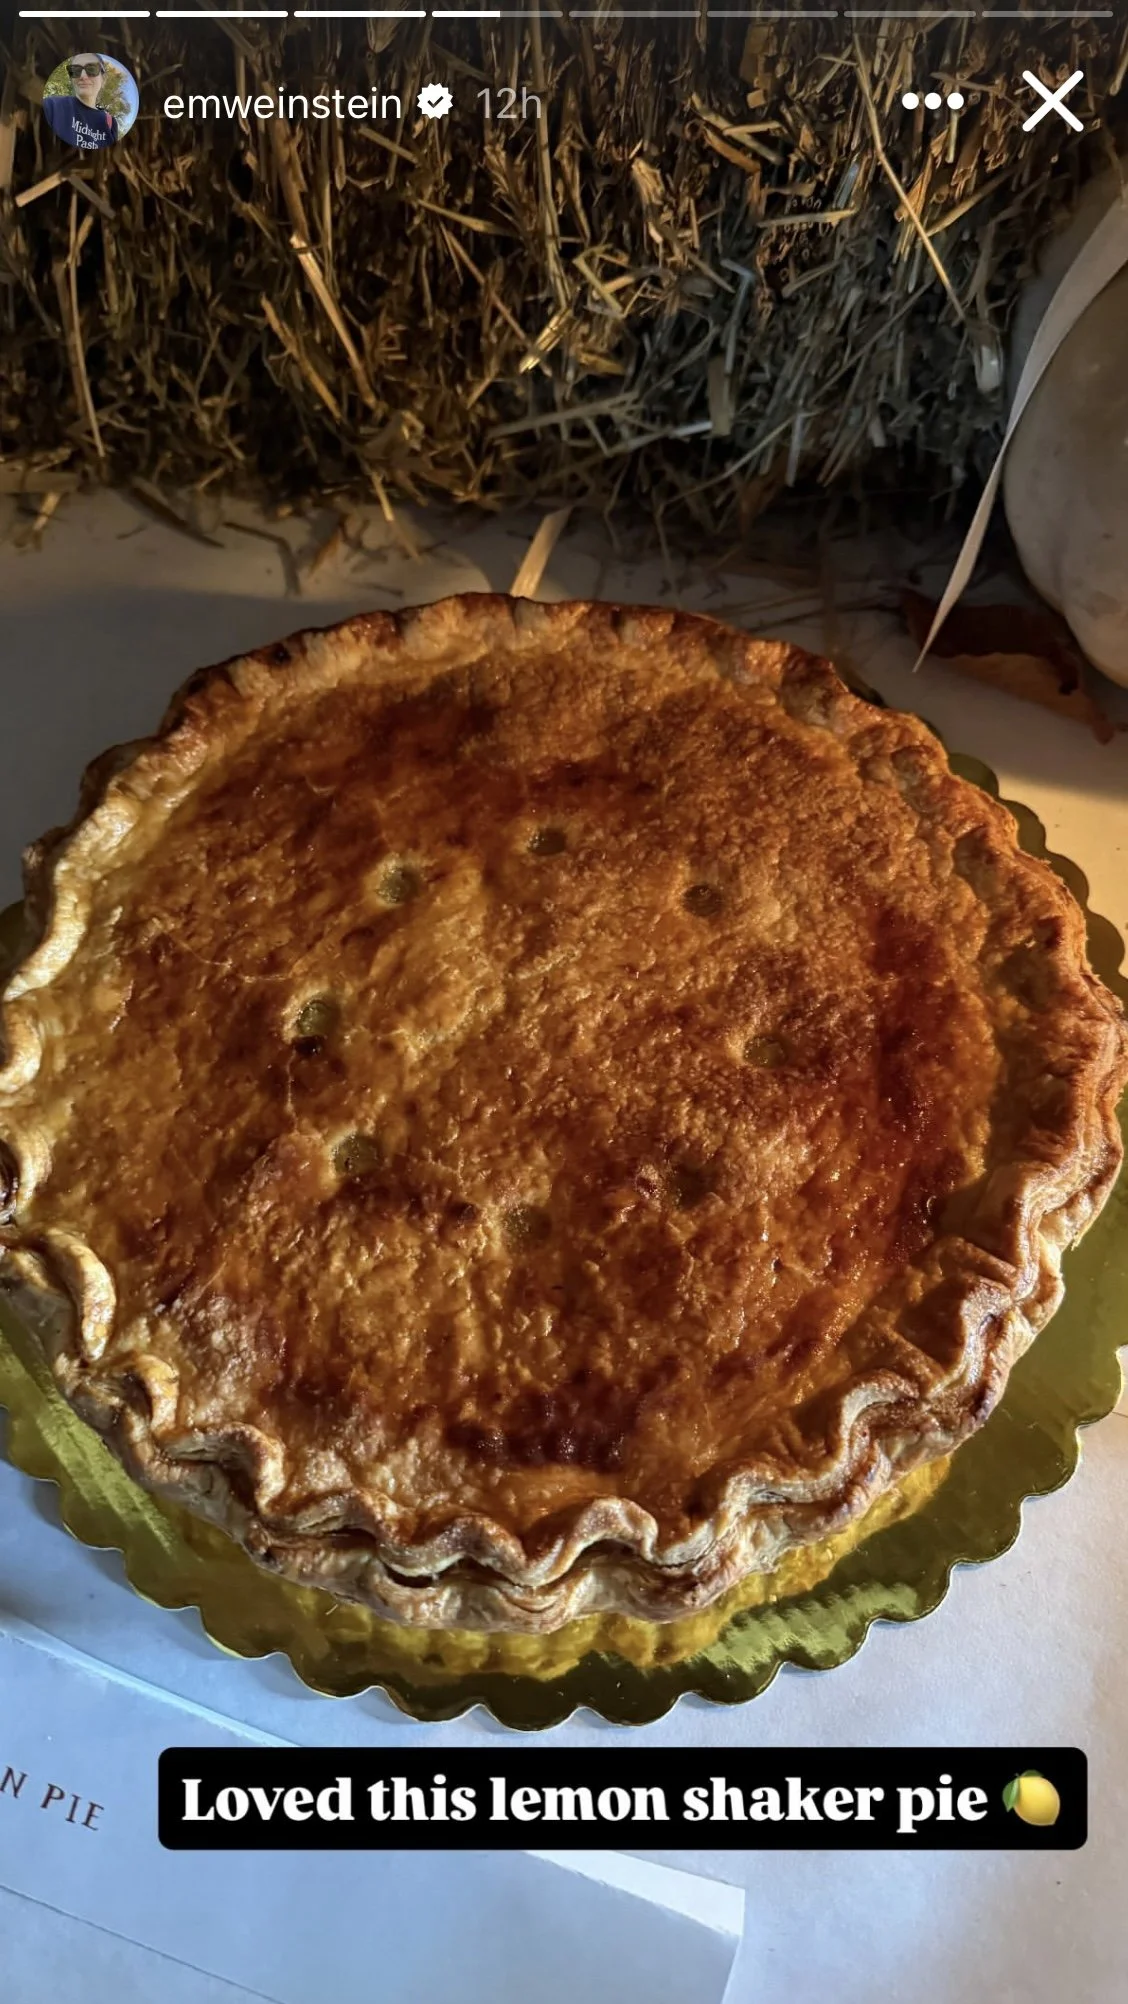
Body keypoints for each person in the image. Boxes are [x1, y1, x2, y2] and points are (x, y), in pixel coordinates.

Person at [42, 55, 119, 151]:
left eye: (91, 69)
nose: (82, 76)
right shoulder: (51, 106)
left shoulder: (110, 123)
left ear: (103, 79)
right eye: (76, 70)